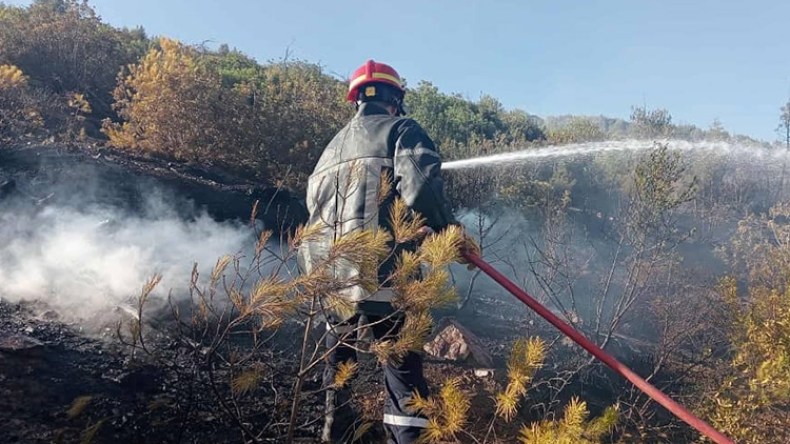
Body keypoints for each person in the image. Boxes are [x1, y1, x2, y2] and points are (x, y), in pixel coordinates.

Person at [297, 59, 479, 443]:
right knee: (402, 376)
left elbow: (313, 221)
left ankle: (335, 432)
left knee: (338, 371)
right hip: (386, 281)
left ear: (356, 100)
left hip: (331, 285)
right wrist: (451, 231)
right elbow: (422, 187)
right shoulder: (401, 130)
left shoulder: (328, 152)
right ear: (395, 100)